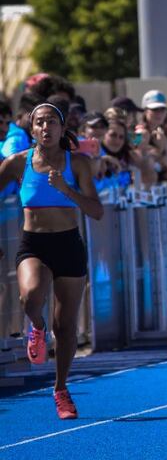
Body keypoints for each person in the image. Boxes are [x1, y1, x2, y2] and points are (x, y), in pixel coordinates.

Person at [0, 102, 104, 418]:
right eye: (40, 123)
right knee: (30, 297)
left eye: (51, 122)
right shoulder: (17, 163)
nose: (46, 128)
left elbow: (96, 211)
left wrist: (66, 189)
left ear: (61, 129)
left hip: (68, 244)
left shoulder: (79, 163)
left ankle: (60, 390)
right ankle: (37, 327)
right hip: (34, 243)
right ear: (32, 130)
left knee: (67, 325)